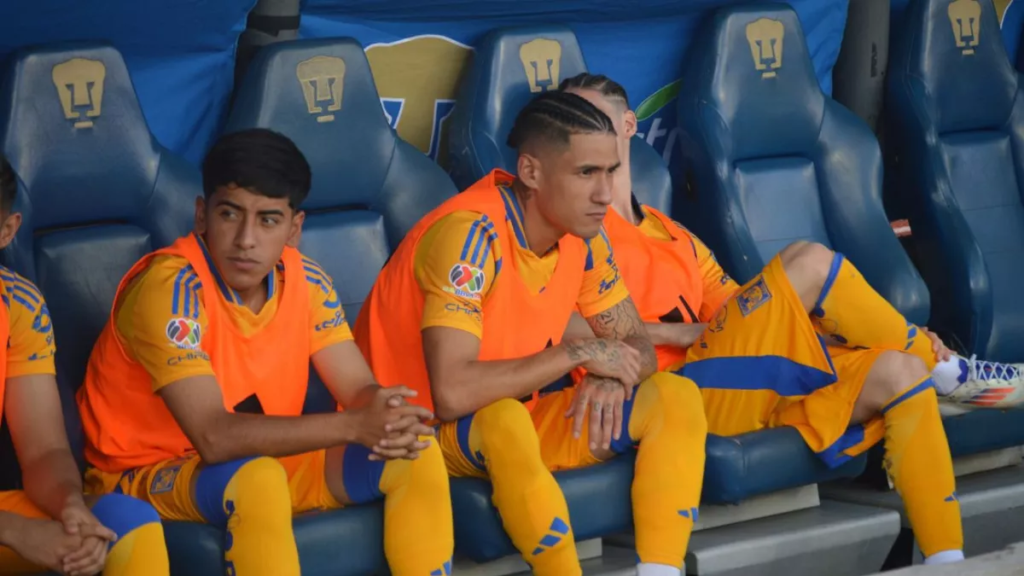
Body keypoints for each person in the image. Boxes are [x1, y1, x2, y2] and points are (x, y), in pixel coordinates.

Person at [556, 72, 1024, 566]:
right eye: (569, 121)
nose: (581, 128)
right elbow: (558, 326)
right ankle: (946, 368)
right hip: (671, 396)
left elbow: (738, 311)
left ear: (629, 126)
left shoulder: (674, 234)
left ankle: (947, 559)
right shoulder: (575, 230)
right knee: (809, 262)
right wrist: (675, 332)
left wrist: (862, 337)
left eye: (593, 116)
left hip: (738, 377)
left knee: (898, 370)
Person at [354, 90, 706, 576]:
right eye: (586, 173)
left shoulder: (585, 236)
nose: (605, 193)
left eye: (610, 171)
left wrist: (608, 373)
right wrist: (576, 354)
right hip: (421, 435)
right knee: (504, 420)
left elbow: (638, 348)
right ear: (531, 172)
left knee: (673, 396)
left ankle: (662, 571)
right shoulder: (470, 236)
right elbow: (452, 394)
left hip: (512, 418)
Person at [76, 129, 453, 576]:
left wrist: (385, 414)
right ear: (201, 215)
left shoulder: (308, 281)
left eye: (268, 220)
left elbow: (356, 388)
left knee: (416, 452)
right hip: (144, 475)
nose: (246, 239)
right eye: (230, 214)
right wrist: (355, 425)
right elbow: (213, 437)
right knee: (257, 479)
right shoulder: (170, 289)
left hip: (260, 461)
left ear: (294, 229)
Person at [0, 155, 170, 576]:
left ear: (7, 230)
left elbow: (43, 451)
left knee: (124, 526)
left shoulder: (17, 306)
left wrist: (70, 506)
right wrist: (15, 531)